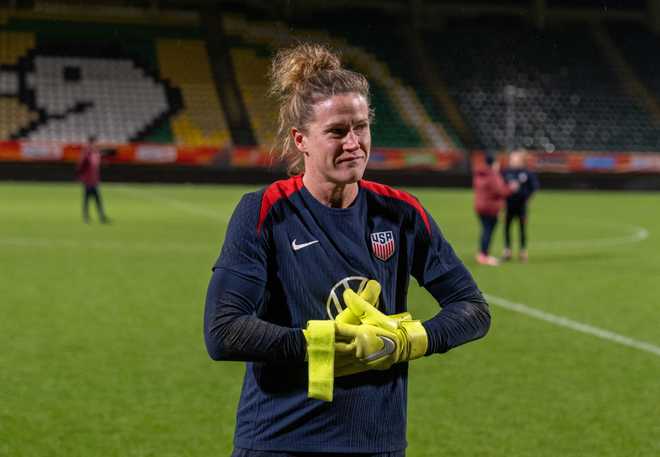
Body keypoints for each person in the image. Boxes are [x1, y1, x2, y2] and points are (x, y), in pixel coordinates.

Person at [204, 43, 490, 457]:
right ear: (301, 139)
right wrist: (326, 342)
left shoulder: (401, 213)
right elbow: (223, 331)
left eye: (361, 127)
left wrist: (407, 340)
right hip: (279, 442)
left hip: (376, 444)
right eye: (337, 131)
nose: (354, 143)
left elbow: (473, 309)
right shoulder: (264, 211)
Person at [472, 153, 516, 266]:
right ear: (493, 163)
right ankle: (484, 255)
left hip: (479, 206)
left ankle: (482, 254)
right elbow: (500, 191)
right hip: (490, 208)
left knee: (485, 230)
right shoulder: (492, 175)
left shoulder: (479, 174)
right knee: (488, 231)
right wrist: (511, 188)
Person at [501, 149, 539, 262]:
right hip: (508, 206)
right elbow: (499, 187)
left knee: (522, 229)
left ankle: (523, 251)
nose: (513, 160)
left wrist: (528, 199)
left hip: (521, 206)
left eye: (515, 158)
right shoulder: (506, 172)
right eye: (512, 158)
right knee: (507, 228)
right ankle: (507, 251)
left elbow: (534, 187)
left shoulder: (527, 173)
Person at [75, 135, 109, 223]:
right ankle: (90, 217)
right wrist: (81, 176)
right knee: (89, 199)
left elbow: (96, 165)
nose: (96, 144)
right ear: (90, 143)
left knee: (95, 199)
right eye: (95, 142)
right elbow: (81, 165)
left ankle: (98, 217)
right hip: (88, 180)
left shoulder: (96, 153)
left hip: (94, 180)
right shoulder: (87, 153)